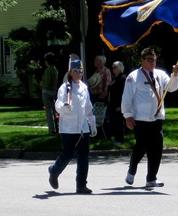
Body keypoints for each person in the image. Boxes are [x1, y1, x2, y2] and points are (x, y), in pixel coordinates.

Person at [121, 47, 178, 188]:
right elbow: (127, 98)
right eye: (149, 60)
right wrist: (127, 116)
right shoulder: (134, 77)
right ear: (142, 60)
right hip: (141, 119)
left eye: (154, 60)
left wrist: (175, 75)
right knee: (141, 147)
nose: (152, 62)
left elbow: (172, 88)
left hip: (157, 117)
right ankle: (132, 170)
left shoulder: (160, 74)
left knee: (156, 148)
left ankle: (151, 178)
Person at [47, 57, 97, 194]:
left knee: (84, 156)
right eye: (75, 71)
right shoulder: (64, 88)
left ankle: (81, 185)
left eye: (80, 71)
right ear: (70, 72)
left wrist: (92, 123)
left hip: (82, 128)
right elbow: (57, 106)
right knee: (67, 155)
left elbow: (87, 108)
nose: (78, 74)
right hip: (68, 128)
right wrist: (64, 107)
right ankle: (54, 171)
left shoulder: (84, 87)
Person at [107, 61, 127, 145]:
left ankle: (120, 139)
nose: (113, 69)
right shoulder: (114, 77)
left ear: (120, 68)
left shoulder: (122, 78)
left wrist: (120, 105)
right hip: (112, 102)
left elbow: (122, 92)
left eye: (115, 67)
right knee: (114, 120)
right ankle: (115, 138)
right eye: (113, 67)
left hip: (118, 103)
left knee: (119, 121)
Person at [40, 52, 59, 135]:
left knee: (49, 111)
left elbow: (46, 83)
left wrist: (41, 84)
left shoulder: (48, 70)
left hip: (47, 92)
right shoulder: (55, 70)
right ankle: (57, 128)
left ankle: (51, 130)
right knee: (55, 111)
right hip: (54, 92)